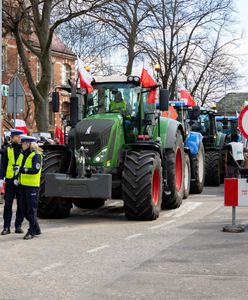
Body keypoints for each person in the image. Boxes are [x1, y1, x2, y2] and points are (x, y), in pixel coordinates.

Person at [17, 136, 43, 240]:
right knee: (24, 209)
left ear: (28, 144)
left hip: (32, 186)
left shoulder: (36, 156)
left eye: (23, 143)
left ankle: (31, 231)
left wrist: (22, 170)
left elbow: (35, 170)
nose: (21, 145)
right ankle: (36, 228)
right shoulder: (23, 154)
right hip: (23, 185)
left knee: (31, 210)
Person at [0, 129, 24, 235]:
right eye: (17, 137)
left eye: (20, 137)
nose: (19, 139)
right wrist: (1, 178)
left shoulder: (24, 149)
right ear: (12, 138)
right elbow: (3, 165)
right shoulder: (8, 149)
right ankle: (6, 227)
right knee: (8, 204)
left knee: (21, 204)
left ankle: (18, 226)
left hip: (21, 180)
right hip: (10, 181)